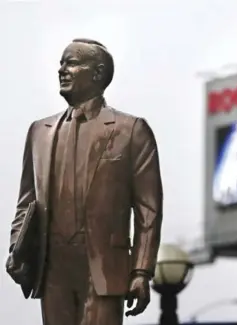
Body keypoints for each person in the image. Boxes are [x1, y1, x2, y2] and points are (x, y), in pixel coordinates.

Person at [6, 38, 163, 325]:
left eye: (72, 63)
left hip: (103, 265)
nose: (62, 70)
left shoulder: (131, 130)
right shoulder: (39, 132)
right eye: (61, 63)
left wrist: (141, 271)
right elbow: (26, 202)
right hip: (51, 266)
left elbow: (148, 210)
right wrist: (16, 246)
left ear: (98, 73)